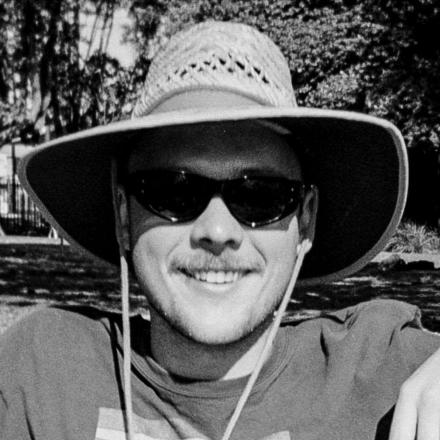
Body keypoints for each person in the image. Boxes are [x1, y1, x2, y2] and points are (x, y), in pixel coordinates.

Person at [0, 20, 439, 440]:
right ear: (123, 216)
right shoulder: (39, 372)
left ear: (304, 220)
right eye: (173, 191)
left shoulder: (384, 368)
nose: (216, 229)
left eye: (260, 195)